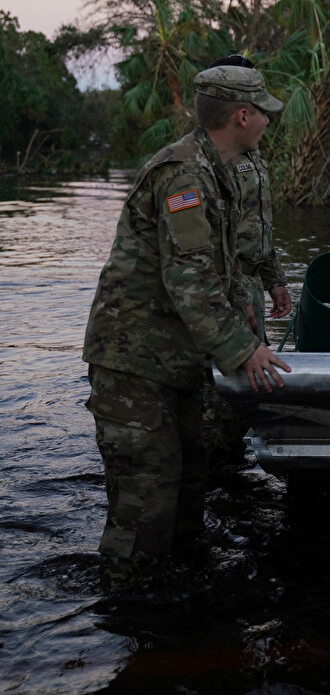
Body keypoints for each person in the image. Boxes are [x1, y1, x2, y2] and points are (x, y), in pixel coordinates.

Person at [83, 63, 291, 586]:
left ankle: (181, 612)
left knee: (188, 488)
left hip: (176, 357)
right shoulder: (184, 174)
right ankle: (128, 614)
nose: (267, 121)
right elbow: (188, 278)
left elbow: (210, 266)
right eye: (262, 112)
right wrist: (245, 349)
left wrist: (244, 301)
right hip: (135, 361)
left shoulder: (215, 168)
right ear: (242, 116)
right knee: (145, 505)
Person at [202, 54, 292, 471]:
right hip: (228, 287)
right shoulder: (210, 163)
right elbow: (202, 254)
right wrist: (237, 305)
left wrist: (275, 281)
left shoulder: (252, 155)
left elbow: (259, 223)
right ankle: (218, 467)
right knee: (229, 386)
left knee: (250, 381)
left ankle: (230, 458)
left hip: (252, 283)